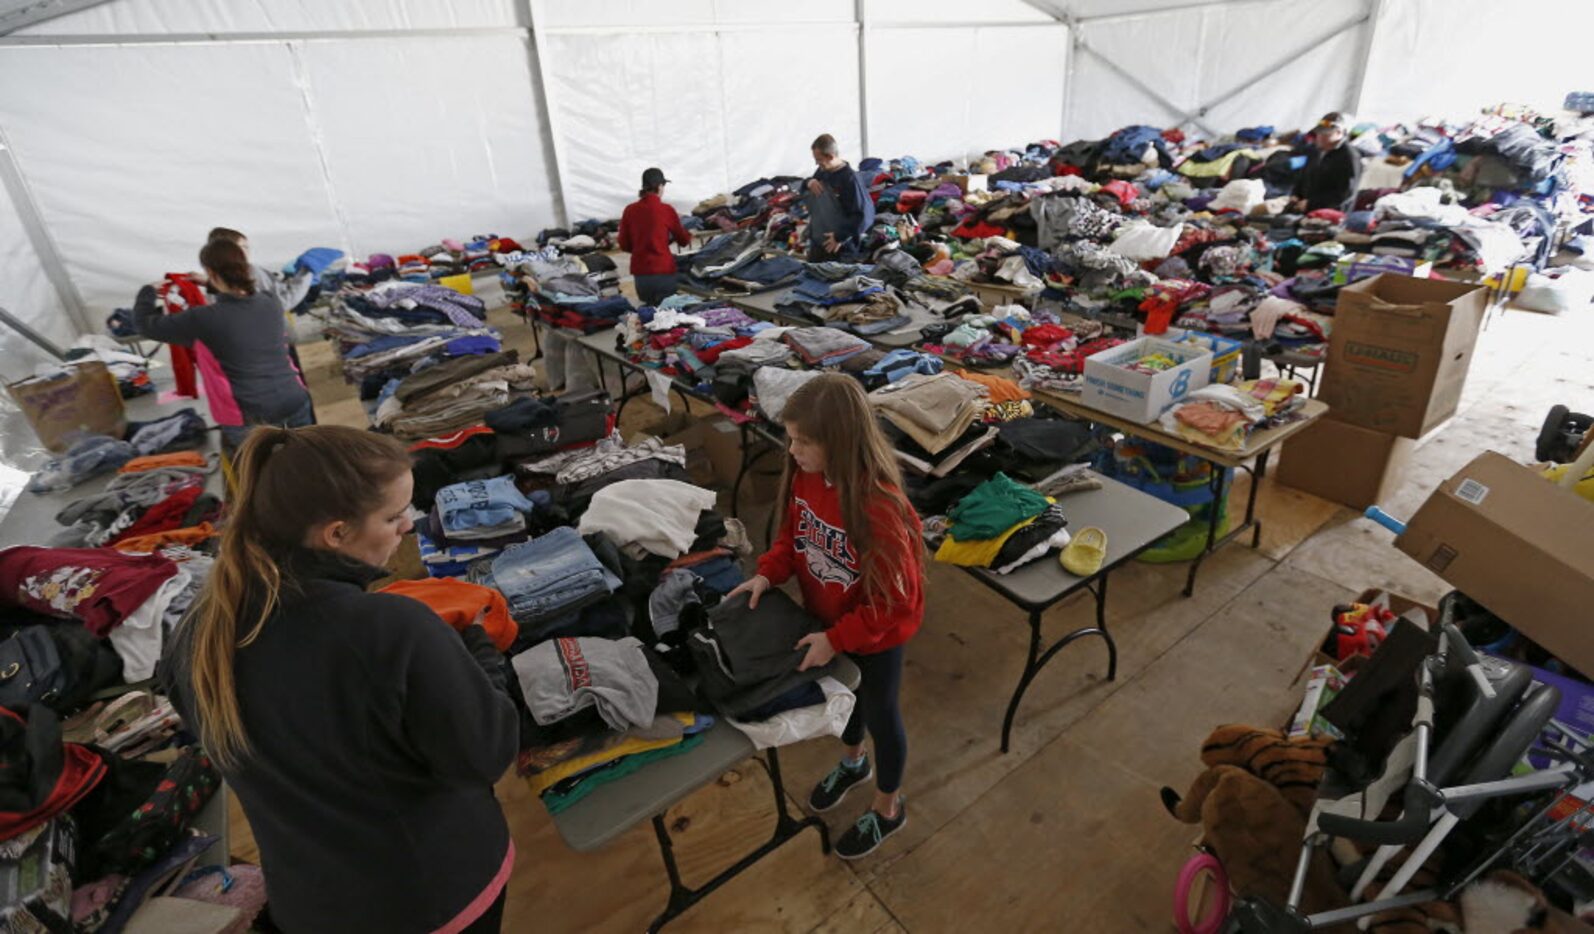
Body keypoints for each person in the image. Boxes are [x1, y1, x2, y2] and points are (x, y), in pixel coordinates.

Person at [162, 426, 519, 933]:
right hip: (430, 895)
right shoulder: (389, 629)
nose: (408, 527)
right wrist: (480, 651)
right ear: (336, 534)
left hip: (313, 904)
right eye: (393, 516)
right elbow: (485, 754)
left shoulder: (200, 635)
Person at [728, 374, 923, 859]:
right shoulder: (807, 476)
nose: (791, 450)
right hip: (830, 622)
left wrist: (838, 639)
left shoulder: (877, 505)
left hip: (873, 635)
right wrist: (767, 575)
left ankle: (888, 808)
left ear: (838, 442)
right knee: (850, 699)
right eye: (791, 438)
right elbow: (792, 539)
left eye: (802, 441)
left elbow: (895, 601)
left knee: (881, 713)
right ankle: (855, 764)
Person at [134, 238, 315, 451]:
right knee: (305, 465)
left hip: (249, 413)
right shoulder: (270, 301)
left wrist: (146, 292)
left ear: (211, 272)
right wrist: (211, 284)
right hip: (294, 398)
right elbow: (242, 301)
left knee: (261, 476)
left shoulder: (204, 319)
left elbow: (146, 325)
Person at [617, 167, 690, 306]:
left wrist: (641, 245)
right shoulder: (666, 210)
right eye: (663, 186)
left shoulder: (629, 210)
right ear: (659, 186)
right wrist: (687, 233)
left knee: (650, 317)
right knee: (669, 318)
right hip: (663, 272)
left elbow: (623, 244)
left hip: (641, 275)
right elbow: (684, 241)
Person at [206, 226, 316, 313]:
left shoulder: (212, 278)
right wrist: (307, 271)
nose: (247, 251)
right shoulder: (248, 270)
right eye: (243, 246)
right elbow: (282, 302)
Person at [805, 134, 875, 262]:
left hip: (839, 250)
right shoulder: (822, 171)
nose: (817, 163)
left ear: (831, 156)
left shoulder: (850, 180)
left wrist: (840, 237)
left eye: (819, 160)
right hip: (818, 246)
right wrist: (809, 182)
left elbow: (865, 216)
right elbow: (806, 189)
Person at [1292, 112, 1363, 213]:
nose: (1320, 137)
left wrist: (1312, 204)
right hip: (1306, 206)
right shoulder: (1315, 150)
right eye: (1319, 133)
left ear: (1339, 133)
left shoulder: (1350, 157)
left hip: (1332, 212)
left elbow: (1346, 193)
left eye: (1325, 134)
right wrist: (1296, 194)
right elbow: (1303, 176)